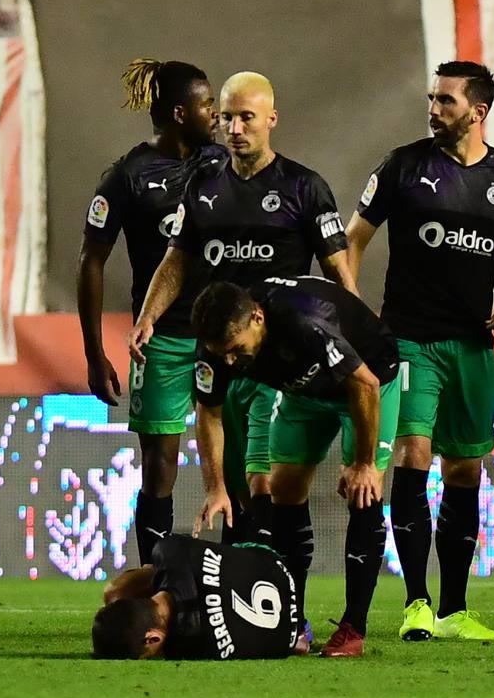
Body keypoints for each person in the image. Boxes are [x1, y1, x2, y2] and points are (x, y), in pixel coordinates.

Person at [347, 60, 494, 642]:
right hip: (409, 340)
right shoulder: (403, 166)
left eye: (446, 101)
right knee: (413, 454)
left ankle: (455, 609)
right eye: (432, 99)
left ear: (479, 111)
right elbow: (352, 240)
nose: (434, 109)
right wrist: (354, 309)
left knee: (465, 467)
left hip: (472, 345)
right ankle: (416, 603)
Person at [127, 71, 354, 550]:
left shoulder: (305, 188)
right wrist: (149, 315)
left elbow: (338, 269)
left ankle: (288, 611)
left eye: (246, 117)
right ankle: (246, 603)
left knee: (267, 482)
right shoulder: (203, 187)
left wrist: (351, 329)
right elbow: (176, 260)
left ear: (271, 119)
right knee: (230, 493)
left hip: (282, 360)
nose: (234, 128)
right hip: (222, 358)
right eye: (227, 117)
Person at [190, 277, 401, 657]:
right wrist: (215, 486)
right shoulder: (216, 347)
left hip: (368, 381)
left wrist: (363, 463)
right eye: (222, 354)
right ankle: (293, 621)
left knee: (363, 491)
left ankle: (353, 628)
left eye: (236, 351)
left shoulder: (305, 320)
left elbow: (364, 383)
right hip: (304, 391)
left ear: (257, 317)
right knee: (283, 487)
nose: (230, 362)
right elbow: (208, 412)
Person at [78, 59, 222, 565]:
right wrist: (94, 355)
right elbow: (91, 262)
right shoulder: (127, 177)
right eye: (208, 105)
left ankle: (241, 581)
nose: (218, 113)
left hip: (224, 340)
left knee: (245, 462)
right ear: (181, 113)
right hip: (162, 340)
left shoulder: (224, 164)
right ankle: (155, 584)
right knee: (160, 467)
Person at [91, 534, 298, 660]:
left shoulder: (188, 648)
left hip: (287, 638)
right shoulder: (168, 549)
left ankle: (301, 637)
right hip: (278, 568)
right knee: (115, 591)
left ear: (153, 637)